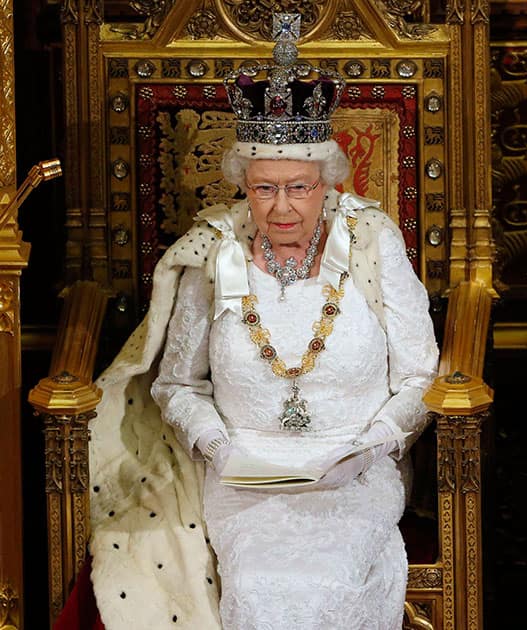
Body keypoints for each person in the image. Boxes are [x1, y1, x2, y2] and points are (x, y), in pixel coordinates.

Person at [86, 14, 438, 629]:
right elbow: (177, 384)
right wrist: (217, 446)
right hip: (243, 476)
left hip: (351, 474)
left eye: (298, 188)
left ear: (327, 182)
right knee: (261, 583)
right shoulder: (213, 252)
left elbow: (419, 374)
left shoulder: (372, 242)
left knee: (331, 578)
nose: (280, 207)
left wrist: (374, 446)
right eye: (263, 188)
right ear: (242, 186)